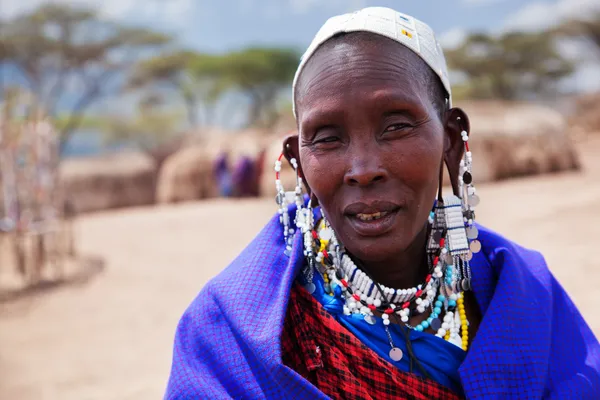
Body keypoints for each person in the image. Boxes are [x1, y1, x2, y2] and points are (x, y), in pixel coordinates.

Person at [165, 7, 600, 399]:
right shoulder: (229, 331)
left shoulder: (523, 296)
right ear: (299, 163)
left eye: (395, 126)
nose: (363, 168)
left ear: (450, 142)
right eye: (328, 138)